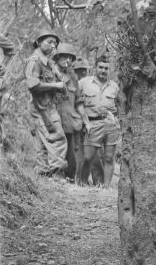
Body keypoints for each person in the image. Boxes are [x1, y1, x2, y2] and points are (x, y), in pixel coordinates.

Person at [24, 29, 67, 176]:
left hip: (45, 105)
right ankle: (57, 173)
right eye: (49, 42)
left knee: (43, 140)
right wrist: (55, 85)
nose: (53, 45)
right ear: (38, 42)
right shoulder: (35, 61)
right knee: (58, 137)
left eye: (55, 43)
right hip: (41, 107)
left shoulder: (47, 63)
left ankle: (43, 172)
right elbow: (33, 85)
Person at [76, 55, 120, 188]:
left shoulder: (114, 87)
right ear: (95, 68)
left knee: (109, 157)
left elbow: (120, 105)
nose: (103, 70)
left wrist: (117, 122)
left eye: (106, 68)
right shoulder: (84, 83)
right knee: (87, 157)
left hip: (110, 124)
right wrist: (84, 122)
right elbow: (77, 101)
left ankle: (105, 187)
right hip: (92, 124)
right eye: (100, 67)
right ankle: (82, 183)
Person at [53, 43, 84, 181]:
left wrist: (86, 121)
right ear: (57, 57)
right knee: (53, 153)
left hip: (68, 123)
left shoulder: (73, 78)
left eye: (71, 58)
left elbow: (78, 101)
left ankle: (70, 181)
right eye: (65, 56)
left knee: (71, 161)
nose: (68, 60)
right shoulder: (49, 74)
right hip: (52, 123)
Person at [73, 58, 104, 185]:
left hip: (91, 123)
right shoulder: (73, 83)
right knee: (80, 155)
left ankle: (98, 182)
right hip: (77, 123)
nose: (81, 73)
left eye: (83, 70)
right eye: (78, 71)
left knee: (94, 154)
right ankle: (82, 180)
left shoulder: (92, 83)